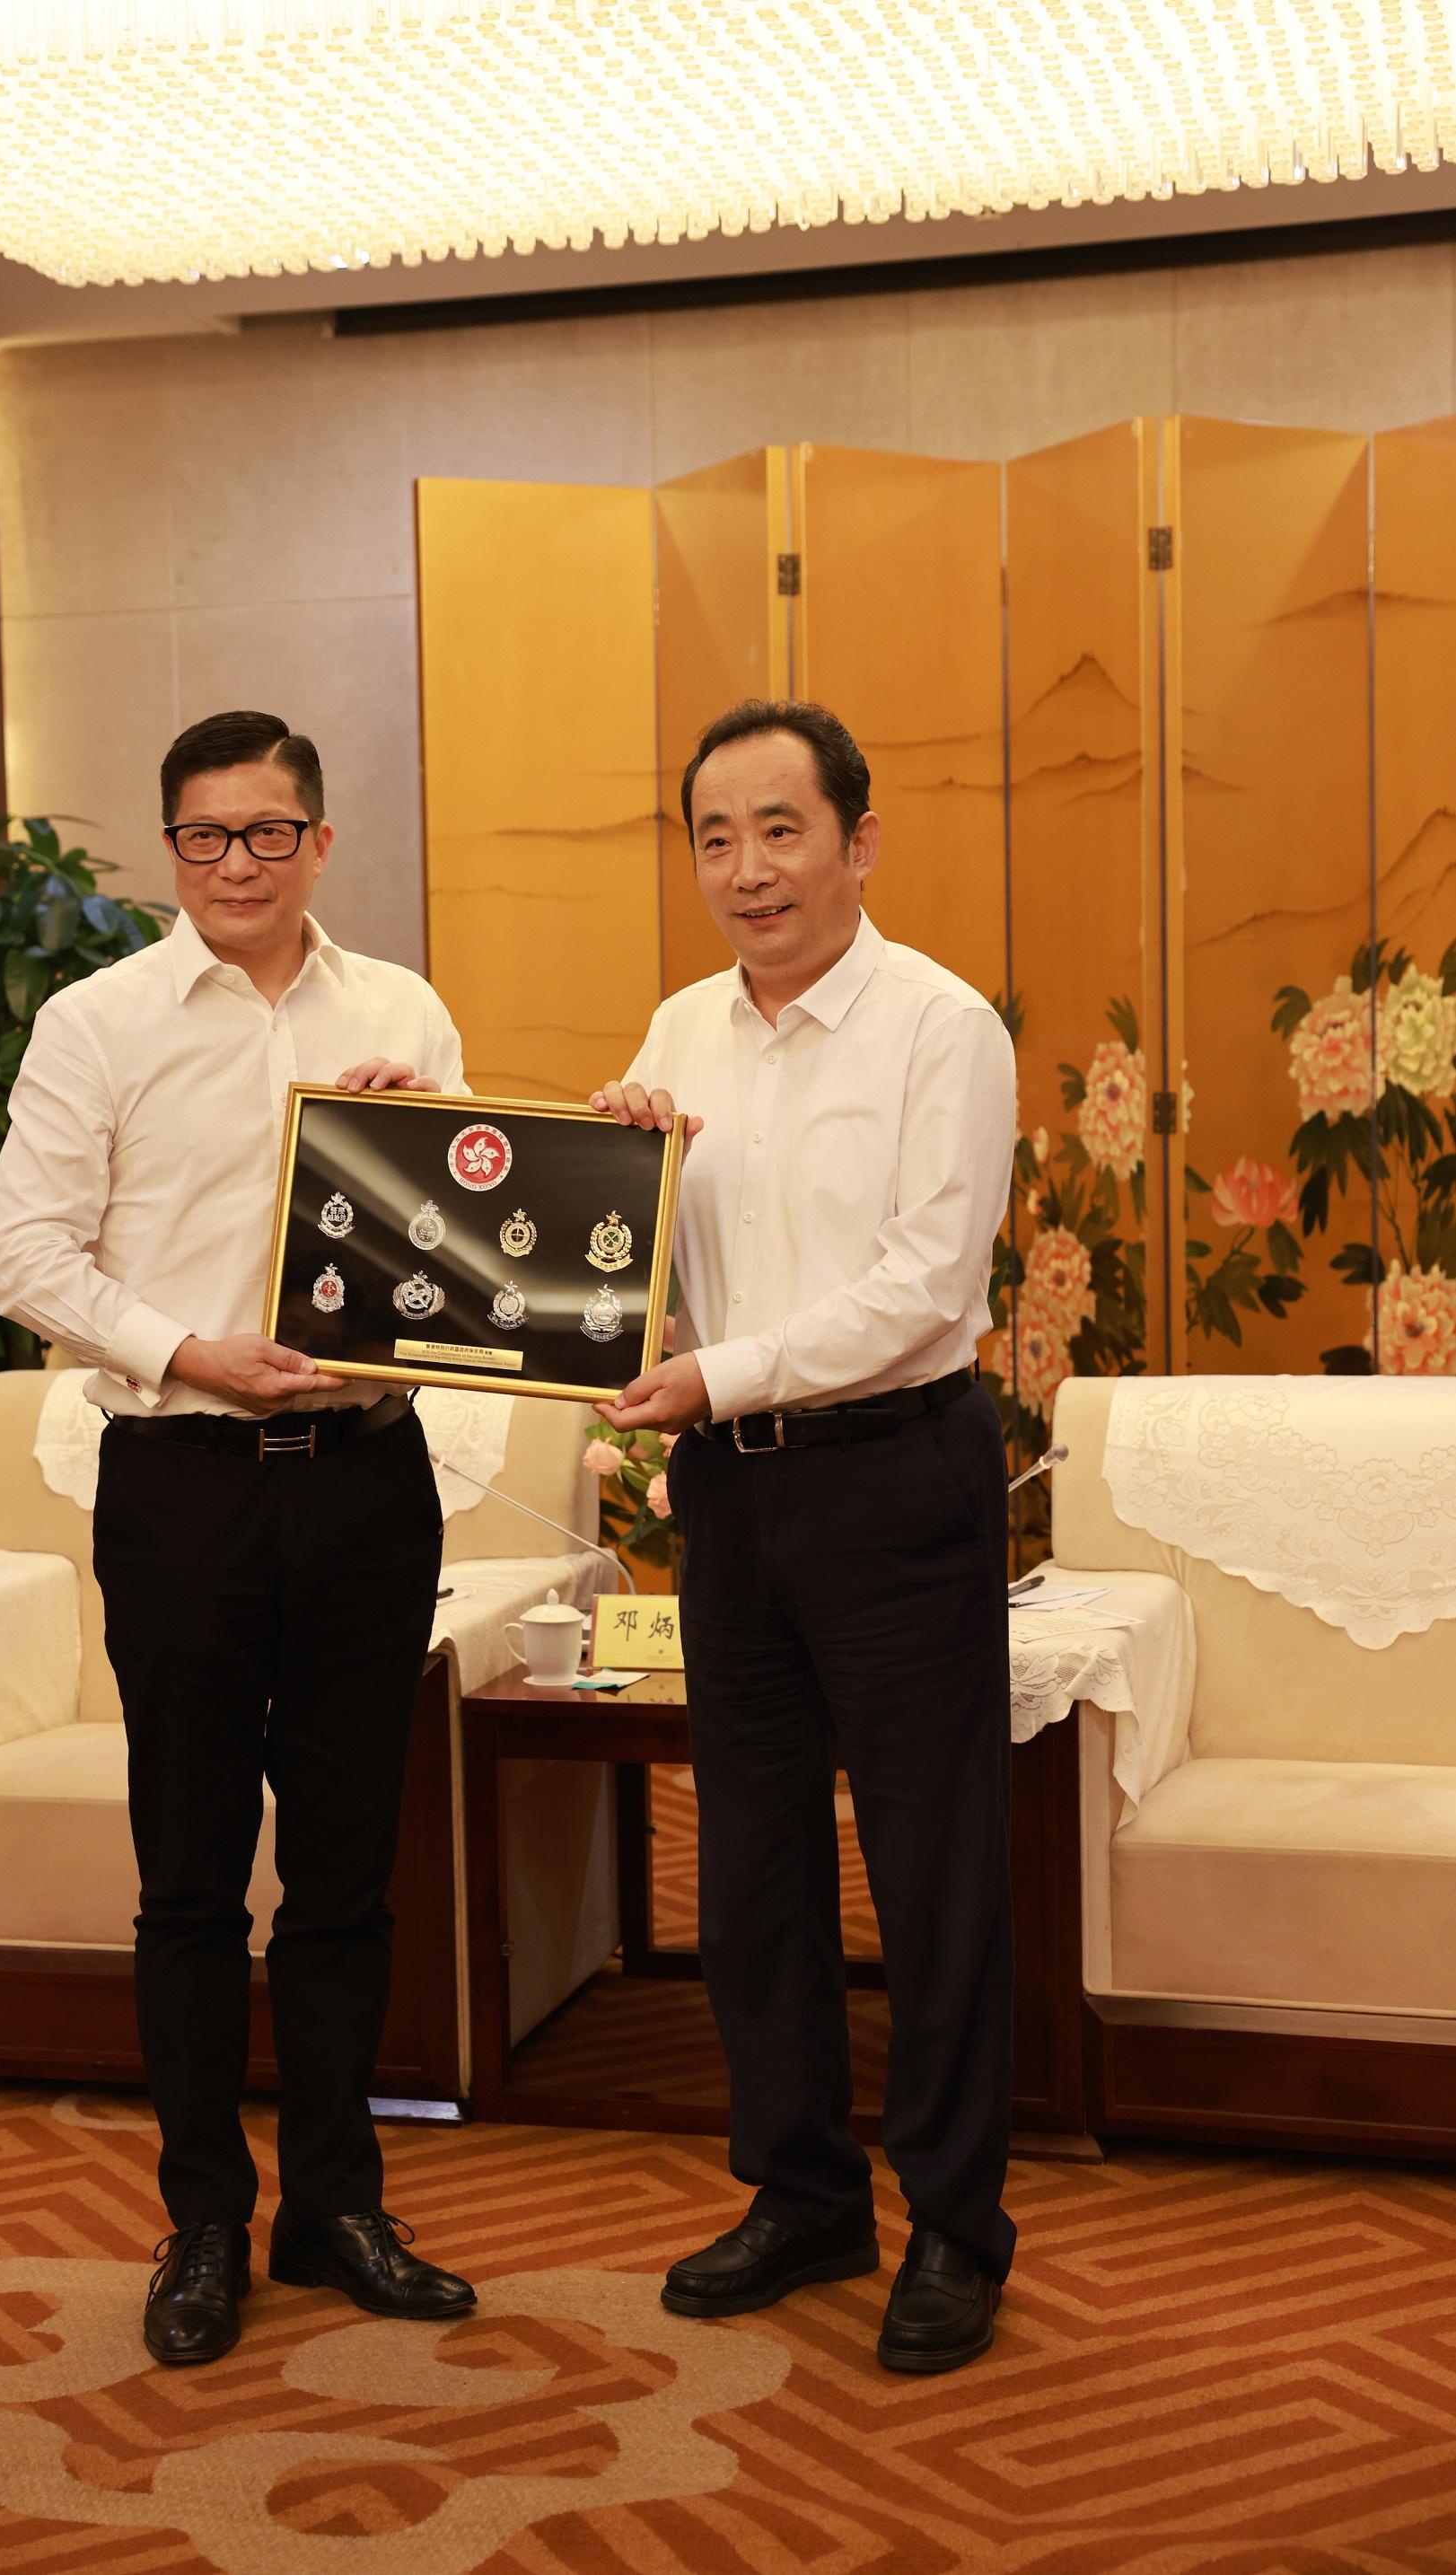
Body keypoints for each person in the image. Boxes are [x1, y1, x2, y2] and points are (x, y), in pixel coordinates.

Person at [0, 707, 477, 2367]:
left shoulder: (398, 1005)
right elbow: (21, 1255)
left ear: (321, 844)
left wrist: (428, 1151)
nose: (237, 864)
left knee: (349, 1870)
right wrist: (186, 1350)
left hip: (366, 1477)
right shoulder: (95, 1020)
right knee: (190, 1878)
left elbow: (466, 1255)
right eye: (204, 837)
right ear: (171, 850)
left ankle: (337, 2205)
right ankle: (204, 2218)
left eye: (268, 834)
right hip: (183, 1480)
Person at [591, 699, 1016, 2376]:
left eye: (781, 829)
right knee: (755, 1866)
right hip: (731, 1493)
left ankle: (955, 2231)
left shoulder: (938, 1027)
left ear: (856, 838)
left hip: (895, 1475)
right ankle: (799, 2194)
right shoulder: (680, 1027)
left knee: (931, 1875)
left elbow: (920, 1290)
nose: (748, 870)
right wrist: (606, 1202)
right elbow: (638, 1268)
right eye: (715, 836)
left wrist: (712, 1372)